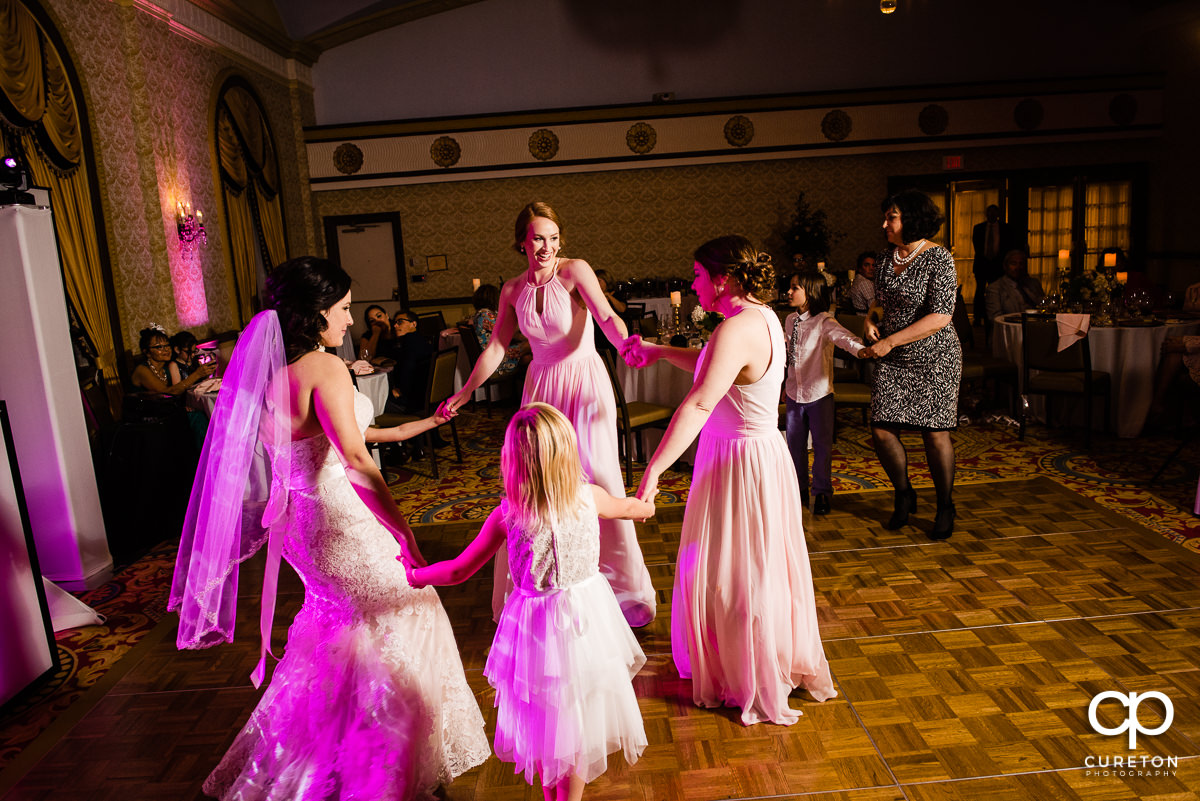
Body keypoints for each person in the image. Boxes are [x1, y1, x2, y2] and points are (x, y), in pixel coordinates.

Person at [169, 256, 490, 800]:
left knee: (342, 635)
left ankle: (334, 756)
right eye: (342, 309)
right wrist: (406, 534)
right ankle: (388, 767)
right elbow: (357, 461)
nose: (350, 319)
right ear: (317, 314)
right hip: (342, 522)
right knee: (405, 615)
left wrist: (426, 423)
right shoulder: (324, 368)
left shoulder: (265, 375)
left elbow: (334, 440)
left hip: (298, 524)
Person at [621, 235, 837, 726]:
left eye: (698, 275)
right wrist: (658, 351)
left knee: (736, 571)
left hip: (739, 462)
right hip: (755, 455)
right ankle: (753, 658)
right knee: (750, 566)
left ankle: (745, 670)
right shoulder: (759, 318)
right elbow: (715, 367)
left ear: (722, 279)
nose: (694, 283)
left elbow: (699, 402)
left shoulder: (736, 329)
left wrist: (652, 468)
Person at [406, 403, 651, 801]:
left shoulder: (509, 514)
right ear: (567, 452)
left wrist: (416, 575)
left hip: (534, 627)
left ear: (513, 460)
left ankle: (556, 794)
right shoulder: (590, 497)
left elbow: (457, 571)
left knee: (545, 717)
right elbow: (628, 508)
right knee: (577, 714)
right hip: (587, 620)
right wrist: (648, 504)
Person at [438, 201, 656, 628]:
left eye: (554, 238)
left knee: (596, 475)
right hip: (540, 389)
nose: (547, 247)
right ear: (522, 241)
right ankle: (546, 573)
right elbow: (497, 347)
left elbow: (606, 315)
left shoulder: (575, 271)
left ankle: (622, 587)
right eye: (538, 238)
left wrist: (626, 342)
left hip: (584, 381)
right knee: (538, 482)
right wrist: (465, 391)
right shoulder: (512, 290)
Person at [862, 190, 963, 540]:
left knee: (935, 435)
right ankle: (904, 492)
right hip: (895, 358)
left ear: (913, 220)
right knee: (881, 430)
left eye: (892, 217)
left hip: (935, 356)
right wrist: (871, 319)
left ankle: (945, 504)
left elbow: (941, 315)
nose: (884, 224)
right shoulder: (886, 257)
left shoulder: (939, 258)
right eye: (887, 217)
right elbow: (880, 302)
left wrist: (891, 339)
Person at [783, 271, 865, 516]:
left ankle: (821, 493)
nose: (788, 292)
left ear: (811, 292)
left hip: (819, 394)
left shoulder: (824, 321)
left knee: (822, 447)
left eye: (795, 287)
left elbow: (844, 338)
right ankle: (798, 490)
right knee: (794, 446)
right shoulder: (789, 320)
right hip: (794, 394)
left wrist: (863, 351)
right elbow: (787, 355)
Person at [130, 324, 214, 395]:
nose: (166, 349)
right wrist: (197, 374)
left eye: (167, 345)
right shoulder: (142, 370)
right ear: (147, 352)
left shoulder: (166, 368)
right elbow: (167, 393)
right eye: (159, 347)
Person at [971, 204, 1018, 325]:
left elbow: (1008, 246)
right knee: (980, 291)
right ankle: (977, 317)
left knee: (997, 291)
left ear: (997, 214)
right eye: (989, 212)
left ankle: (995, 317)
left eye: (994, 212)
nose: (991, 215)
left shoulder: (1005, 229)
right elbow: (977, 247)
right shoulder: (979, 228)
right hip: (982, 265)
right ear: (986, 214)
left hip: (998, 265)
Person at [470, 283, 530, 376]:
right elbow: (509, 333)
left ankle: (525, 387)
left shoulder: (482, 314)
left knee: (528, 357)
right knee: (532, 346)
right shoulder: (486, 315)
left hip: (490, 356)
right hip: (492, 359)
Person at [383, 309, 434, 413]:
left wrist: (400, 390)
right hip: (428, 398)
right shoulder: (420, 340)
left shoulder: (410, 343)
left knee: (371, 401)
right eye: (395, 323)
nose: (395, 326)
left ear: (413, 324)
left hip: (412, 403)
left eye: (400, 322)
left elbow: (408, 369)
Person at [985, 249, 1044, 320]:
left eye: (1021, 263)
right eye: (1013, 264)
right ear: (1005, 266)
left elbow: (1044, 306)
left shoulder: (1034, 284)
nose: (1018, 267)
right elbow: (995, 318)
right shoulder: (995, 289)